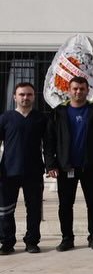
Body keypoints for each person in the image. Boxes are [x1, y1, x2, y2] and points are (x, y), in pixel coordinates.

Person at [45, 75, 93, 251]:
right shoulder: (58, 112)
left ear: (87, 90)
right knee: (65, 205)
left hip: (91, 166)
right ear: (68, 90)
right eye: (75, 88)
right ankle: (67, 238)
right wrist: (51, 164)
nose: (78, 92)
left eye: (82, 89)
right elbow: (49, 140)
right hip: (66, 166)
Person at [0, 82, 48, 254]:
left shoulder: (41, 119)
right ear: (14, 97)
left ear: (34, 97)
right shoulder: (5, 118)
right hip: (8, 171)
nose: (25, 97)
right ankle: (7, 242)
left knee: (34, 210)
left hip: (34, 171)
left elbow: (49, 144)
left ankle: (32, 242)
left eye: (29, 94)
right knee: (5, 210)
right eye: (21, 94)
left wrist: (51, 165)